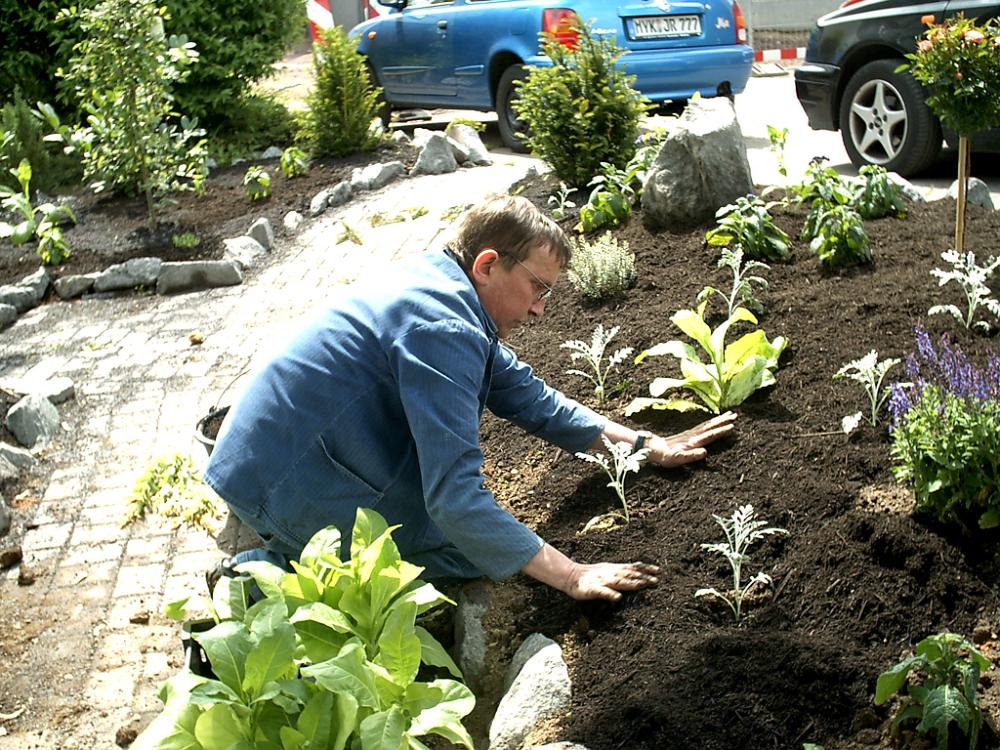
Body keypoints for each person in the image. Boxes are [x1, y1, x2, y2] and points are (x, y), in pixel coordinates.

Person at [204, 194, 735, 602]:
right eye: (539, 288)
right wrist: (573, 574)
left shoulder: (442, 290)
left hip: (283, 448)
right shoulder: (443, 326)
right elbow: (455, 498)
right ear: (487, 265)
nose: (540, 310)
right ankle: (254, 578)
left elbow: (532, 400)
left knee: (481, 539)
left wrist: (643, 446)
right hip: (282, 477)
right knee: (460, 551)